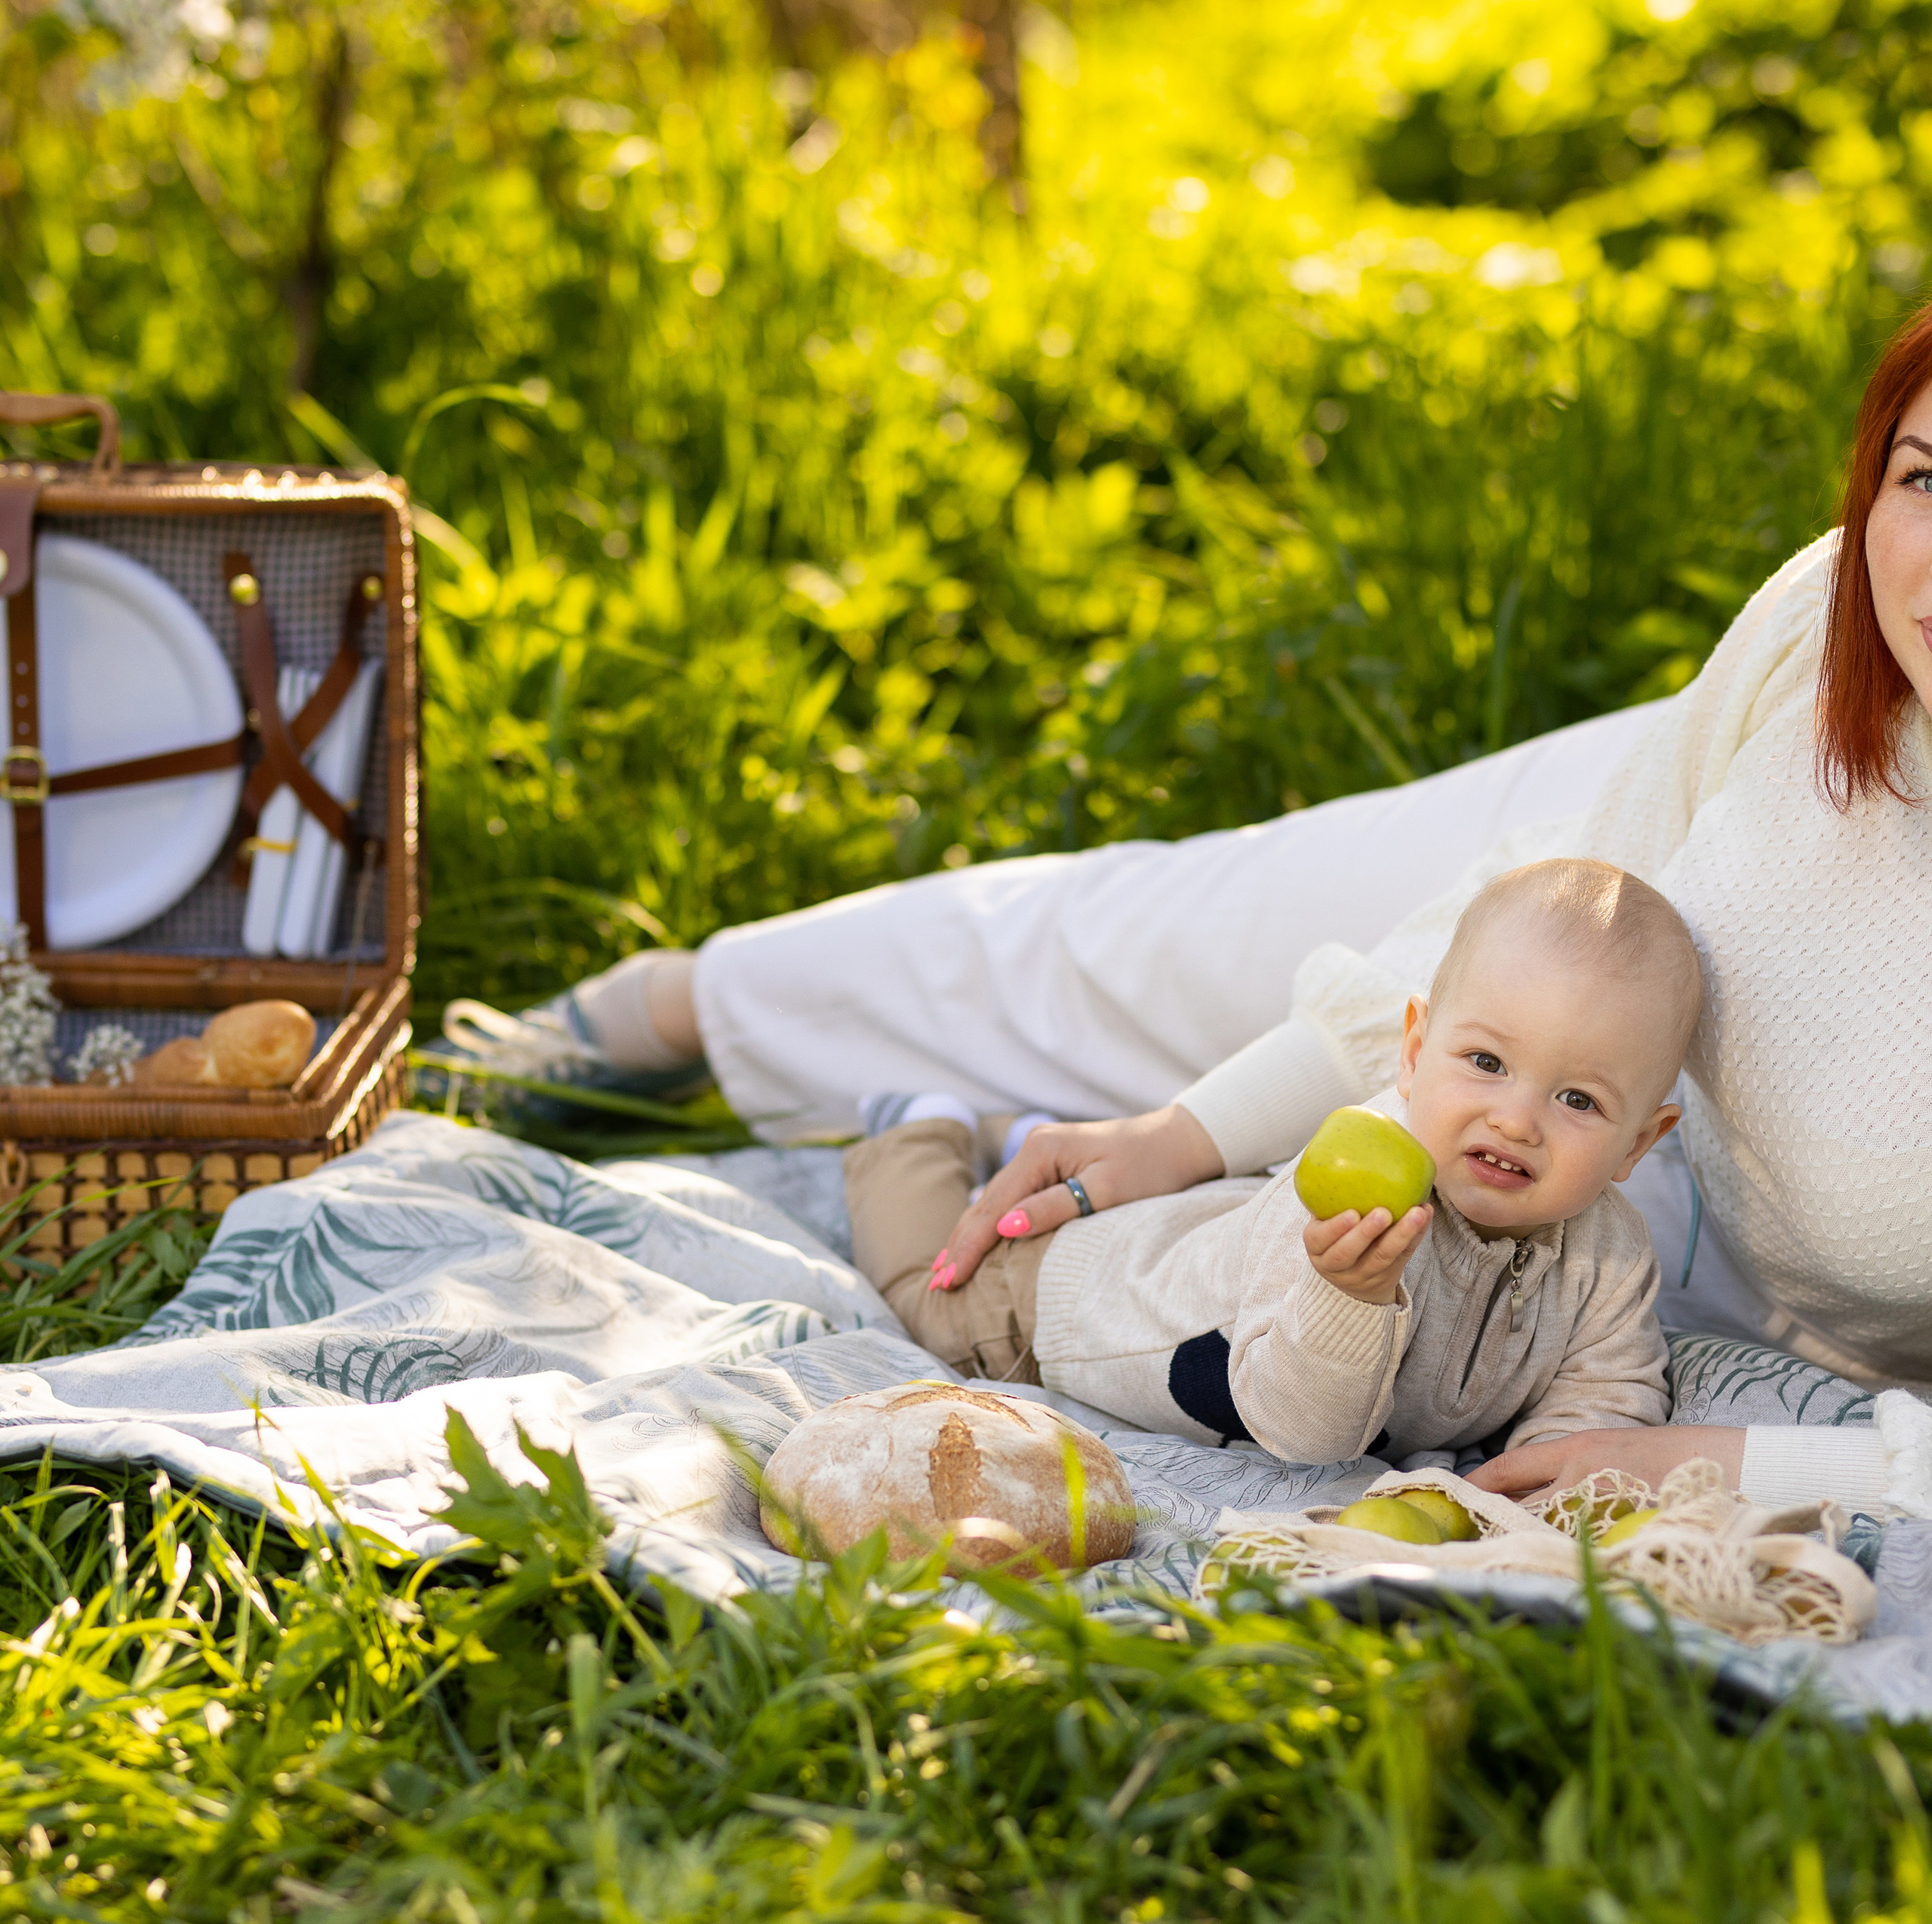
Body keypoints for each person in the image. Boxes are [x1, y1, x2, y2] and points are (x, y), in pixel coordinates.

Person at [441, 300, 1932, 1519]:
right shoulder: (1826, 621)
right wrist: (1179, 1134)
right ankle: (673, 1002)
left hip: (1628, 1180)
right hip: (1586, 929)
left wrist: (1761, 1459)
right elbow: (1578, 863)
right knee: (1152, 953)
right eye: (1922, 477)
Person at [841, 858, 1697, 1470]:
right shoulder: (1339, 1193)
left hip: (1191, 1231)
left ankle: (1012, 1128)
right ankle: (920, 1128)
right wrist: (1347, 1296)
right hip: (1055, 1309)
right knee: (927, 1295)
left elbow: (1605, 1396)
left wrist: (1546, 1487)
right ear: (1413, 1048)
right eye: (1485, 1062)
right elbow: (1301, 1431)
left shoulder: (1609, 1254)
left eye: (1578, 1100)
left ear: (1638, 1144)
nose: (1515, 1119)